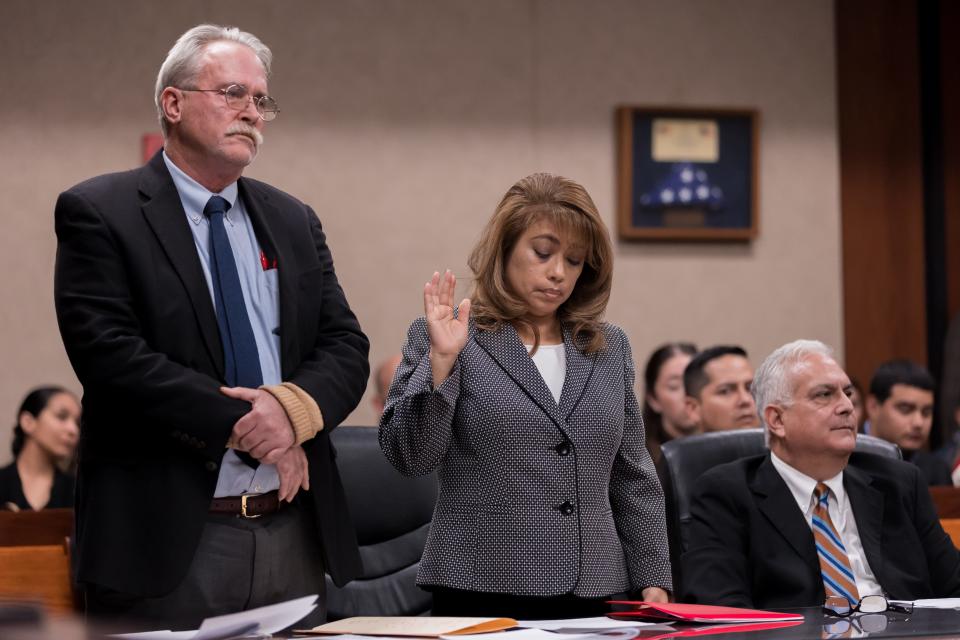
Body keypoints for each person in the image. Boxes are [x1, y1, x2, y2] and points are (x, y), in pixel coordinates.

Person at [53, 25, 369, 629]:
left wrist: (292, 413)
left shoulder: (293, 219)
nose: (251, 112)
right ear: (173, 103)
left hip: (291, 527)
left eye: (261, 100)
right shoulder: (101, 212)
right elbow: (111, 356)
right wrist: (254, 426)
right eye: (232, 93)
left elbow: (345, 345)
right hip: (166, 537)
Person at [379, 173, 672, 619]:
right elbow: (411, 456)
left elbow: (632, 474)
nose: (558, 272)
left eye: (574, 261)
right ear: (505, 251)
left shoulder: (608, 347)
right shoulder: (450, 336)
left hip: (594, 590)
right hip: (480, 587)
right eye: (543, 253)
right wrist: (442, 361)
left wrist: (653, 577)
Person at [680, 339, 960, 608]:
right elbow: (723, 612)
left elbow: (954, 584)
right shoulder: (727, 494)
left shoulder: (899, 483)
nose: (847, 406)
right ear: (777, 420)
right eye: (824, 395)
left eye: (847, 393)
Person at [866, 359, 950, 486]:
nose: (918, 423)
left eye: (926, 412)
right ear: (873, 407)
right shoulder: (844, 460)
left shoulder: (938, 471)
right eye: (905, 409)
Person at [0, 387, 80, 512]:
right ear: (28, 422)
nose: (73, 430)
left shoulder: (78, 490)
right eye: (62, 416)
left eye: (78, 423)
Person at [642, 342, 698, 472]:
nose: (687, 394)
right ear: (653, 399)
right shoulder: (641, 462)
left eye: (693, 382)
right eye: (674, 386)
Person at [683, 345, 759, 432]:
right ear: (693, 409)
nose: (745, 400)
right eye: (725, 391)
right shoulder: (670, 446)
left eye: (750, 388)